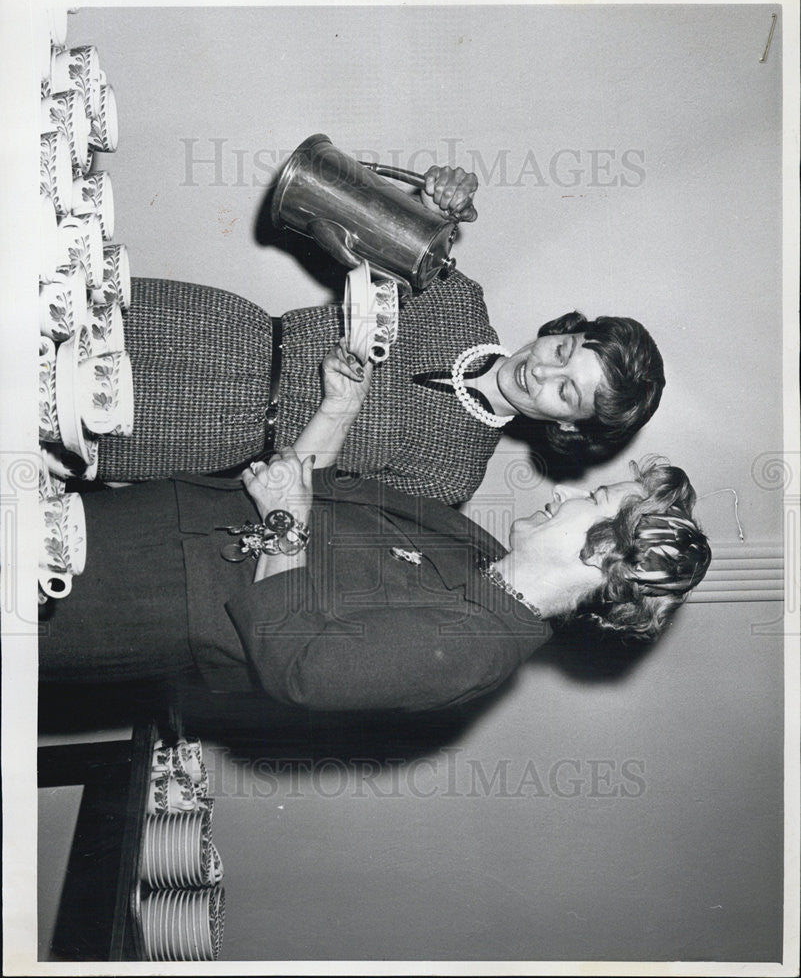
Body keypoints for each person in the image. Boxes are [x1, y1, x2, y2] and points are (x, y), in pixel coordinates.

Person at [42, 344, 709, 713]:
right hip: (163, 523)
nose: (567, 496)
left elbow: (301, 668)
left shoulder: (478, 652)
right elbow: (304, 491)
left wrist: (282, 521)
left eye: (592, 498)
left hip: (144, 605)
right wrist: (338, 409)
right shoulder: (472, 548)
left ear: (602, 560)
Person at [96, 166, 666, 504]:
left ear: (568, 424)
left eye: (566, 392)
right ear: (560, 332)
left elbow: (317, 506)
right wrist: (435, 203)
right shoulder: (459, 301)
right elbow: (379, 233)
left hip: (215, 433)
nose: (542, 371)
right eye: (563, 351)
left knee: (54, 419)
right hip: (227, 330)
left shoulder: (454, 475)